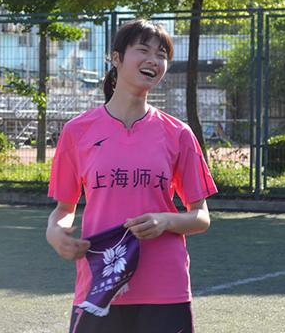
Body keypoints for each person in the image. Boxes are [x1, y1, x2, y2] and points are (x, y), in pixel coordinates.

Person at [46, 20, 216, 333]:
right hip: (100, 285)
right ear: (116, 58)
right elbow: (64, 209)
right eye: (143, 50)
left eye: (162, 54)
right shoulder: (76, 132)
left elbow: (200, 216)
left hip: (165, 288)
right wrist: (55, 233)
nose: (154, 60)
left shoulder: (178, 133)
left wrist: (166, 221)